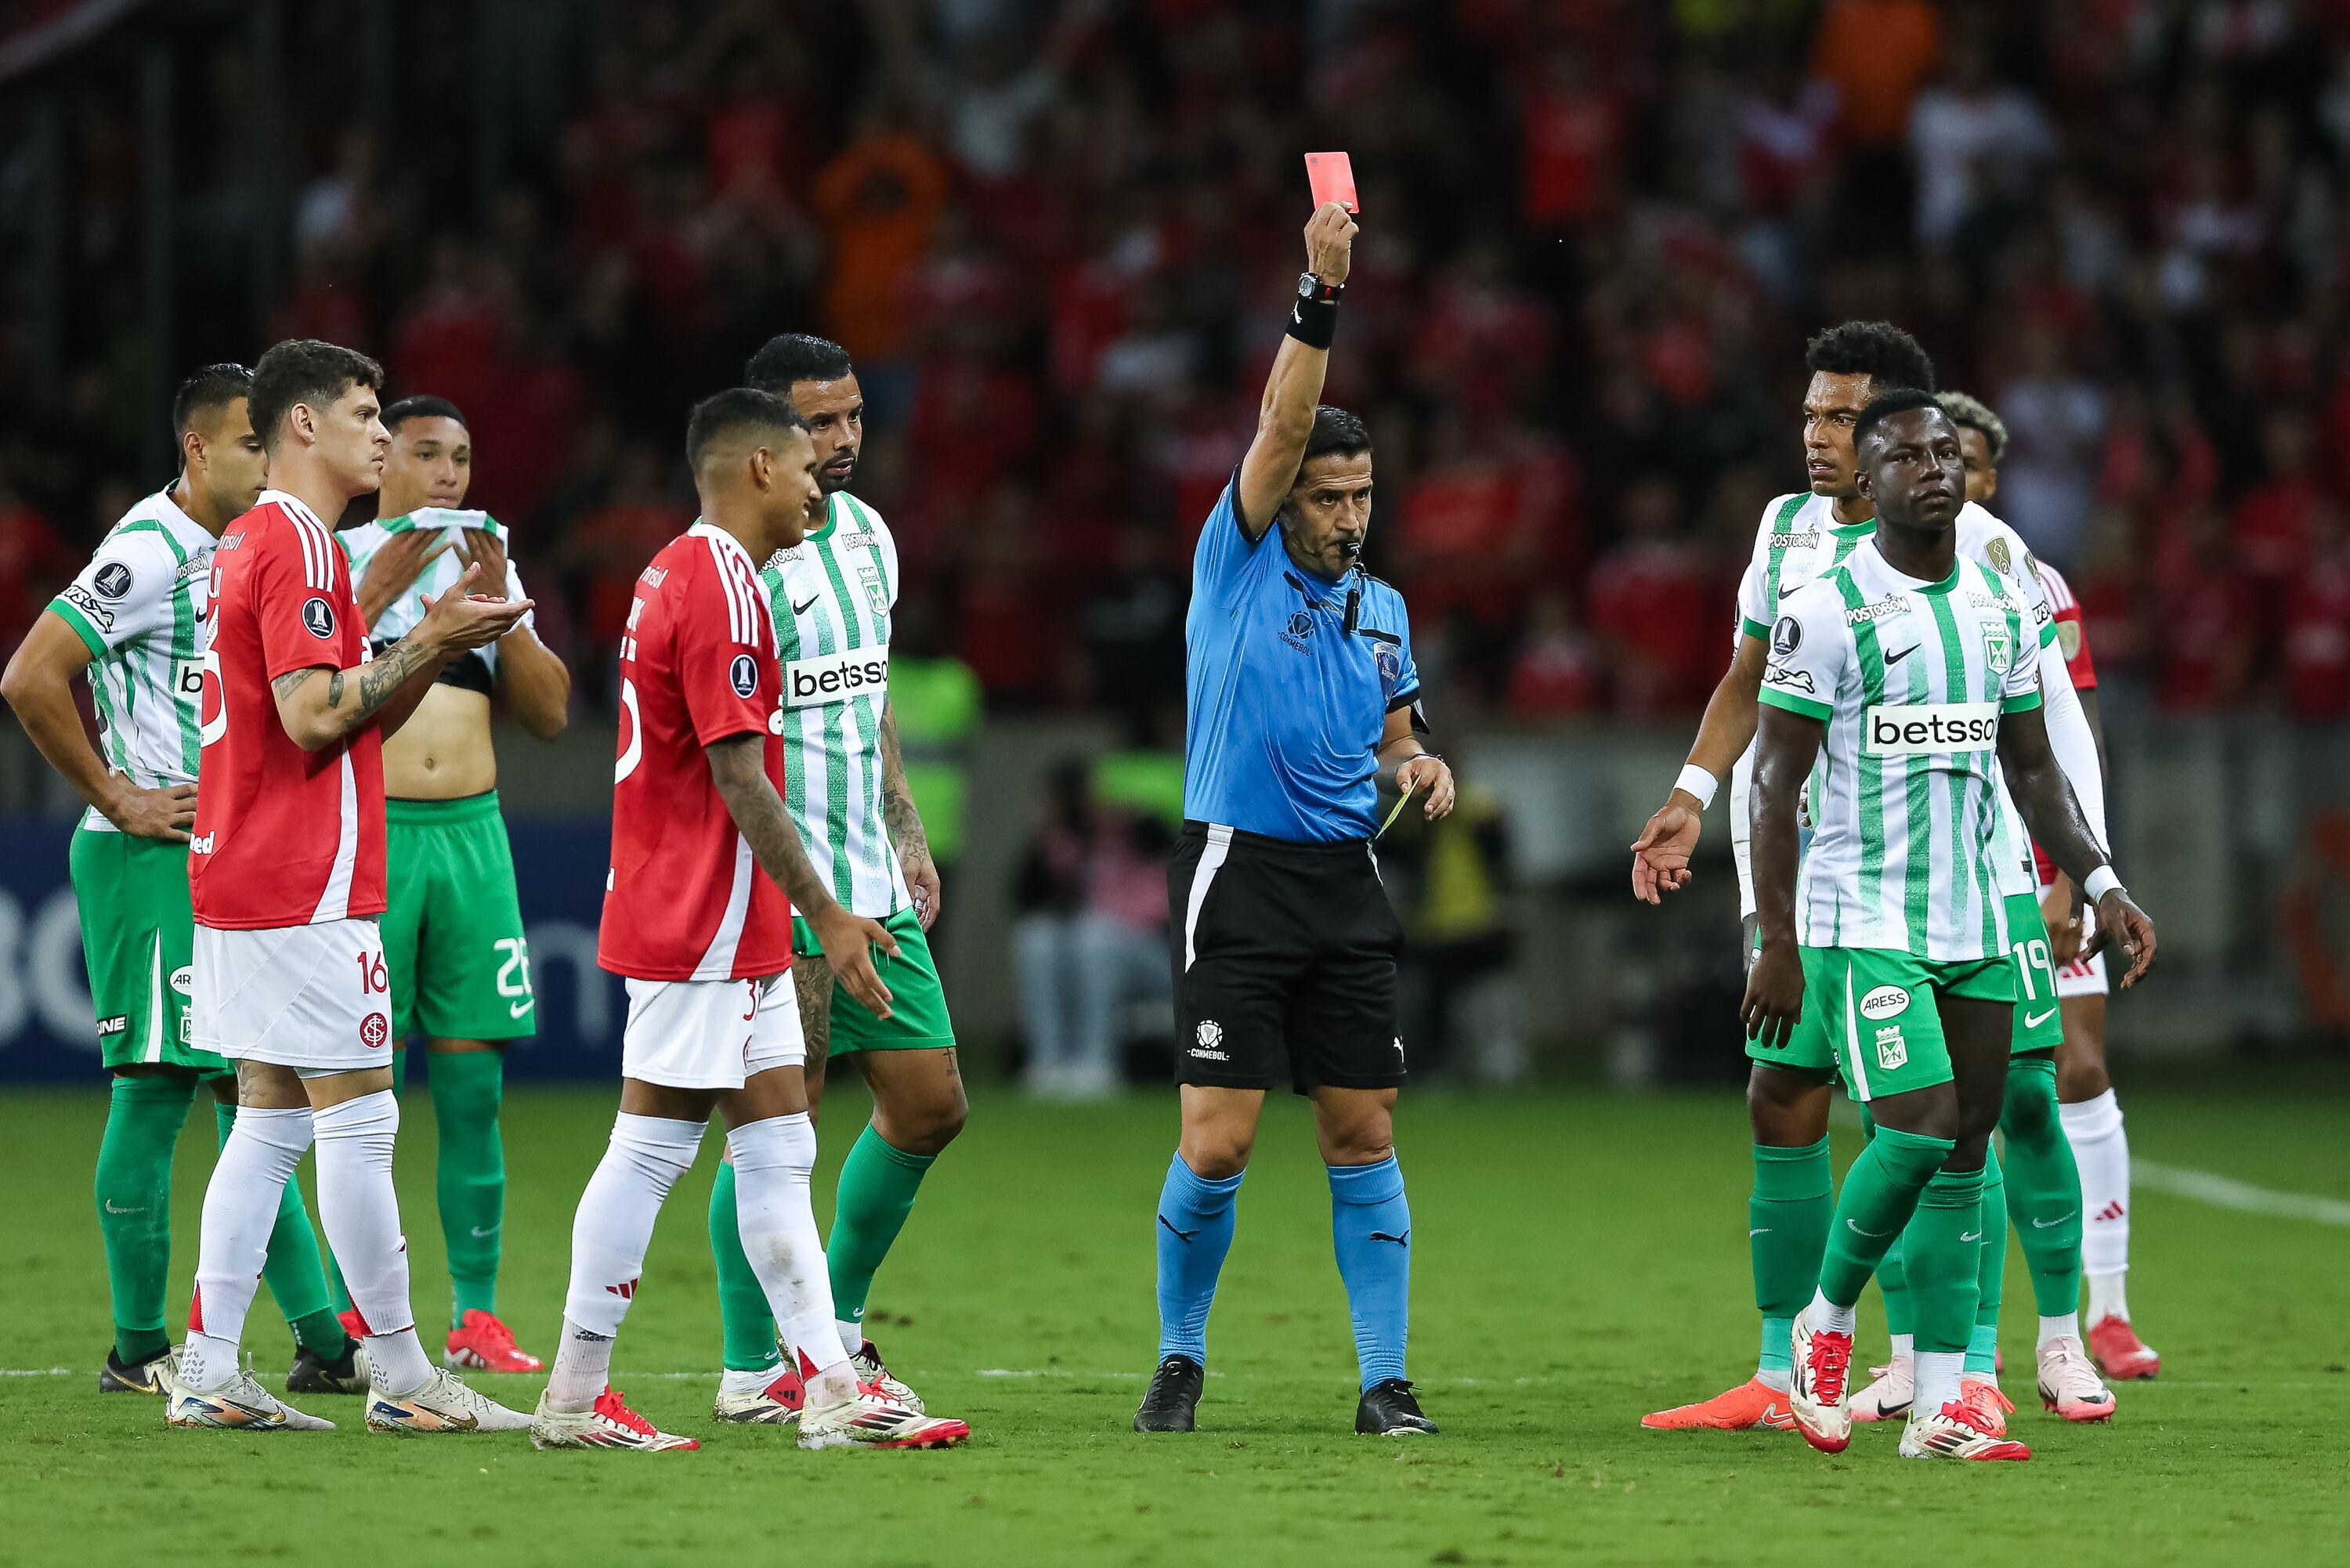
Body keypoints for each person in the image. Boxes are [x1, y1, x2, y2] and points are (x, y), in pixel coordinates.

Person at [1631, 327, 2115, 1434]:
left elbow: (2049, 740)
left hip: (1974, 877)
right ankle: (1781, 1366)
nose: (1817, 438)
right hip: (1827, 878)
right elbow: (1749, 683)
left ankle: (1970, 1367)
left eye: (1841, 419)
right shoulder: (1787, 531)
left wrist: (2081, 872)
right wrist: (1691, 796)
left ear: (1908, 434)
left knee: (1970, 1115)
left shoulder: (1989, 554)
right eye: (1809, 416)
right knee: (1784, 1096)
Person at [529, 388, 967, 1453]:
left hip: (732, 913)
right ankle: (575, 1396)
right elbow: (740, 775)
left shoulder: (678, 571)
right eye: (804, 463)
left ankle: (826, 1385)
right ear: (760, 468)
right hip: (702, 912)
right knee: (647, 1151)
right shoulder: (722, 583)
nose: (823, 477)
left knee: (776, 1152)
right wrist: (831, 909)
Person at [1741, 390, 2158, 1461]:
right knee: (1919, 1124)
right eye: (1905, 456)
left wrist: (2102, 880)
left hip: (1978, 907)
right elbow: (1772, 778)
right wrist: (1777, 939)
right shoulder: (1827, 608)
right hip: (1863, 912)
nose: (1932, 470)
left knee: (1969, 1146)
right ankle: (1824, 1326)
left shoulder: (1998, 606)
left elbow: (2034, 767)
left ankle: (1941, 1409)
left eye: (1944, 454)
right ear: (1866, 480)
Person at [167, 338, 533, 1433]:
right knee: (362, 1123)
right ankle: (408, 1378)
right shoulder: (302, 547)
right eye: (366, 413)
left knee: (268, 1126)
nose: (385, 433)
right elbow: (314, 714)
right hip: (304, 881)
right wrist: (428, 636)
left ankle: (208, 1368)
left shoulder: (247, 540)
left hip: (240, 870)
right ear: (304, 427)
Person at [1133, 201, 1456, 1438]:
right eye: (1328, 495)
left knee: (1360, 1126)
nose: (1347, 515)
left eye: (1361, 494)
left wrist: (1420, 768)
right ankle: (1179, 1357)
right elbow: (1279, 422)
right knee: (1217, 1141)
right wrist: (1320, 298)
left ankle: (1384, 1380)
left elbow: (1395, 737)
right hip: (1238, 871)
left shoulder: (1386, 609)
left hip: (1345, 878)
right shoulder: (1239, 554)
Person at [0, 365, 357, 1399]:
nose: (272, 462)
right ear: (199, 450)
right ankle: (137, 1346)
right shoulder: (148, 551)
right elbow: (29, 673)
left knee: (254, 1091)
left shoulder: (252, 545)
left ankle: (323, 1341)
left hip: (214, 853)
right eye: (255, 445)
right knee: (158, 1088)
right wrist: (116, 793)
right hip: (150, 851)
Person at [700, 334, 964, 1425]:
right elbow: (721, 751)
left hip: (873, 879)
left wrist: (904, 825)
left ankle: (840, 1329)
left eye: (854, 415)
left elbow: (871, 697)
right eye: (821, 421)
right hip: (784, 887)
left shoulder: (868, 539)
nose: (846, 439)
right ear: (767, 437)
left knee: (930, 1102)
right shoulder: (737, 563)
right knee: (781, 1126)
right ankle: (751, 1361)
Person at [333, 395, 572, 1375]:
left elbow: (552, 715)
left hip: (473, 840)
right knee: (362, 1095)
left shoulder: (490, 556)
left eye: (462, 457)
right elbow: (313, 706)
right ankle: (363, 1316)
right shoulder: (338, 558)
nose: (448, 473)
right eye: (426, 452)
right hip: (373, 839)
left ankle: (477, 1318)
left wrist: (502, 605)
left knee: (473, 1087)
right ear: (381, 458)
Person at [1941, 392, 2158, 1381]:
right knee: (1940, 1100)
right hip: (1931, 863)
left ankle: (2099, 1310)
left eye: (1980, 465)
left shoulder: (2029, 576)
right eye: (1953, 460)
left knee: (2069, 1068)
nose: (1968, 481)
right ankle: (1945, 1339)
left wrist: (2078, 869)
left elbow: (2071, 728)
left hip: (2031, 855)